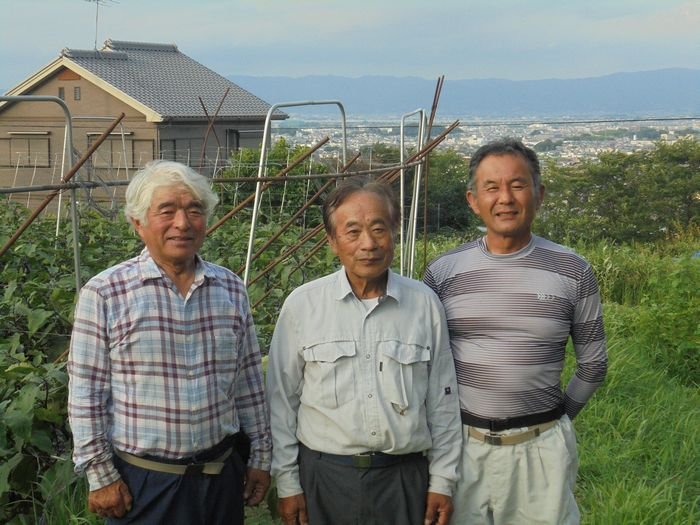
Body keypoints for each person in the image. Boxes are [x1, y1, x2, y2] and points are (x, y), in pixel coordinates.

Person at [68, 160, 271, 524]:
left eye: (194, 210)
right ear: (138, 223)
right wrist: (100, 477)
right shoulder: (106, 293)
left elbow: (248, 382)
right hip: (143, 482)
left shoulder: (229, 288)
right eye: (168, 211)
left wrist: (259, 456)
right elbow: (86, 393)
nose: (183, 222)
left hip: (220, 476)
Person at [423, 138, 608, 524]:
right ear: (473, 199)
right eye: (491, 187)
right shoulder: (442, 272)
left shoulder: (573, 270)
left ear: (539, 195)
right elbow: (429, 367)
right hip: (461, 449)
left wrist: (556, 420)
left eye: (517, 185)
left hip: (540, 451)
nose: (505, 198)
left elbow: (593, 364)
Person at [266, 177, 462, 525]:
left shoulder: (423, 304)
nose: (368, 244)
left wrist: (443, 481)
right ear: (332, 241)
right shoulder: (303, 305)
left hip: (404, 478)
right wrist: (288, 483)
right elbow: (281, 403)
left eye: (379, 229)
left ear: (395, 232)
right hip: (324, 479)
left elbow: (443, 401)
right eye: (353, 232)